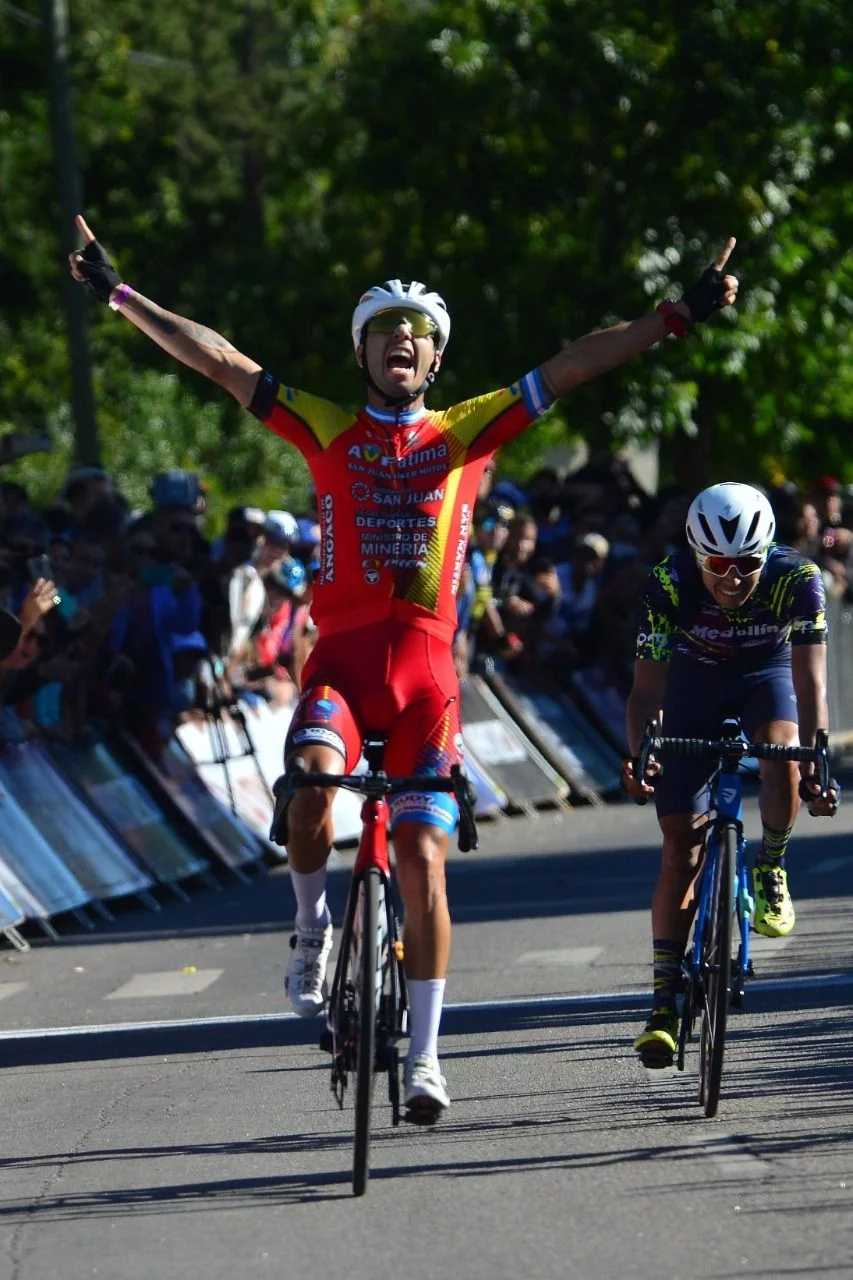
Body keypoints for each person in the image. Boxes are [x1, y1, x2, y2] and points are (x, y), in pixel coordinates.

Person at [70, 213, 738, 1119]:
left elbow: (578, 363)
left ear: (433, 363)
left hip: (426, 680)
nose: (402, 347)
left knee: (423, 853)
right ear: (363, 353)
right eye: (386, 334)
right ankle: (308, 930)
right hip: (340, 670)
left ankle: (424, 1059)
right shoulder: (324, 427)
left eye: (417, 339)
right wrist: (118, 291)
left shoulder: (468, 433)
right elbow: (220, 359)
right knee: (308, 784)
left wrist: (673, 316)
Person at [622, 482, 839, 1067]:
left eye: (747, 563)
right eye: (719, 564)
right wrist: (643, 753)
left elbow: (812, 684)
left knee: (780, 756)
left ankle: (771, 862)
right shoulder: (670, 583)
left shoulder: (799, 580)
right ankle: (665, 1000)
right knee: (680, 848)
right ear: (697, 555)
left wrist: (817, 759)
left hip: (766, 676)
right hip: (693, 682)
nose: (734, 577)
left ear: (767, 552)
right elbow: (647, 690)